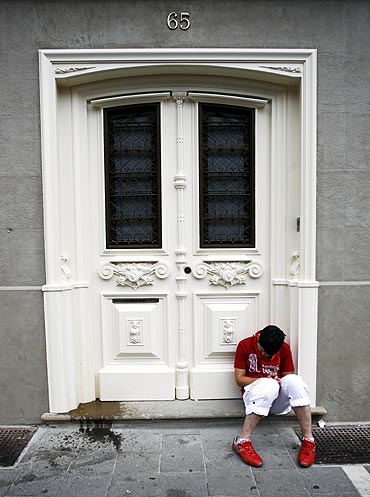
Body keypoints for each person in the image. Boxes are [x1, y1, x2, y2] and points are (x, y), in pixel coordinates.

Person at [232, 325, 316, 468]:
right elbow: (239, 379)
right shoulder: (245, 345)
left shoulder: (284, 348)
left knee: (294, 380)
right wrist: (265, 379)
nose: (267, 356)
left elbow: (287, 377)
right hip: (255, 397)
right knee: (267, 385)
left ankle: (309, 440)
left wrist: (276, 380)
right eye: (263, 352)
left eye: (271, 354)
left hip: (277, 399)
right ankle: (241, 441)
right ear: (258, 339)